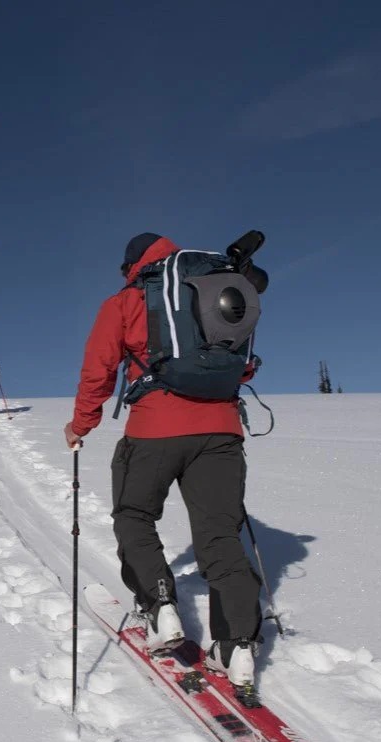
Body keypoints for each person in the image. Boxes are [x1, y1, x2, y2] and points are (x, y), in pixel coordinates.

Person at [64, 233, 262, 690]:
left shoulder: (127, 300)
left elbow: (99, 368)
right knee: (220, 533)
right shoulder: (214, 287)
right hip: (222, 431)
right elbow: (243, 364)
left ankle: (160, 607)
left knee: (134, 514)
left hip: (154, 427)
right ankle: (236, 645)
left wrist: (80, 425)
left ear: (132, 265)